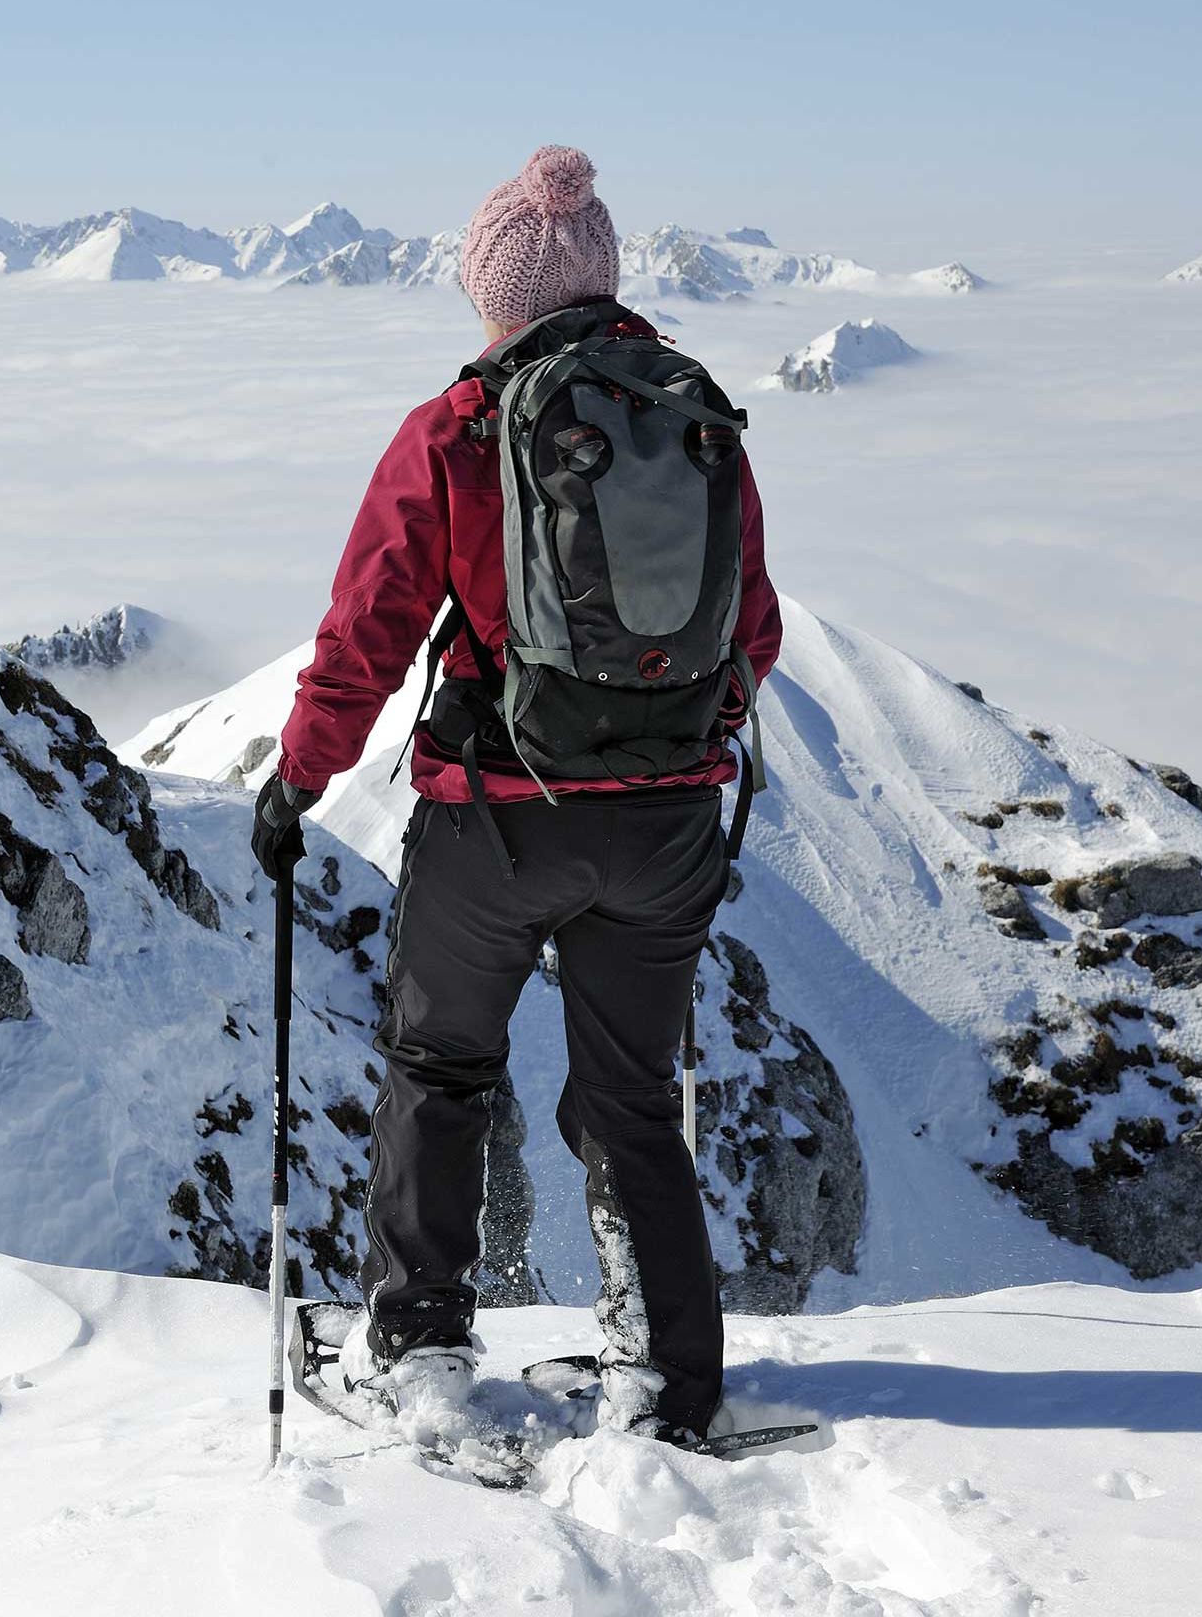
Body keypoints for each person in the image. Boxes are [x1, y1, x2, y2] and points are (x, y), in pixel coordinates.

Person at [248, 145, 781, 1449]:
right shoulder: (694, 419)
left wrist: (299, 781)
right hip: (664, 827)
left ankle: (421, 1353)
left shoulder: (459, 427)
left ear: (497, 294)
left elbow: (368, 632)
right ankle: (669, 1380)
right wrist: (678, 746)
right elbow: (751, 629)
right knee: (634, 1103)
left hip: (495, 814)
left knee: (440, 1069)